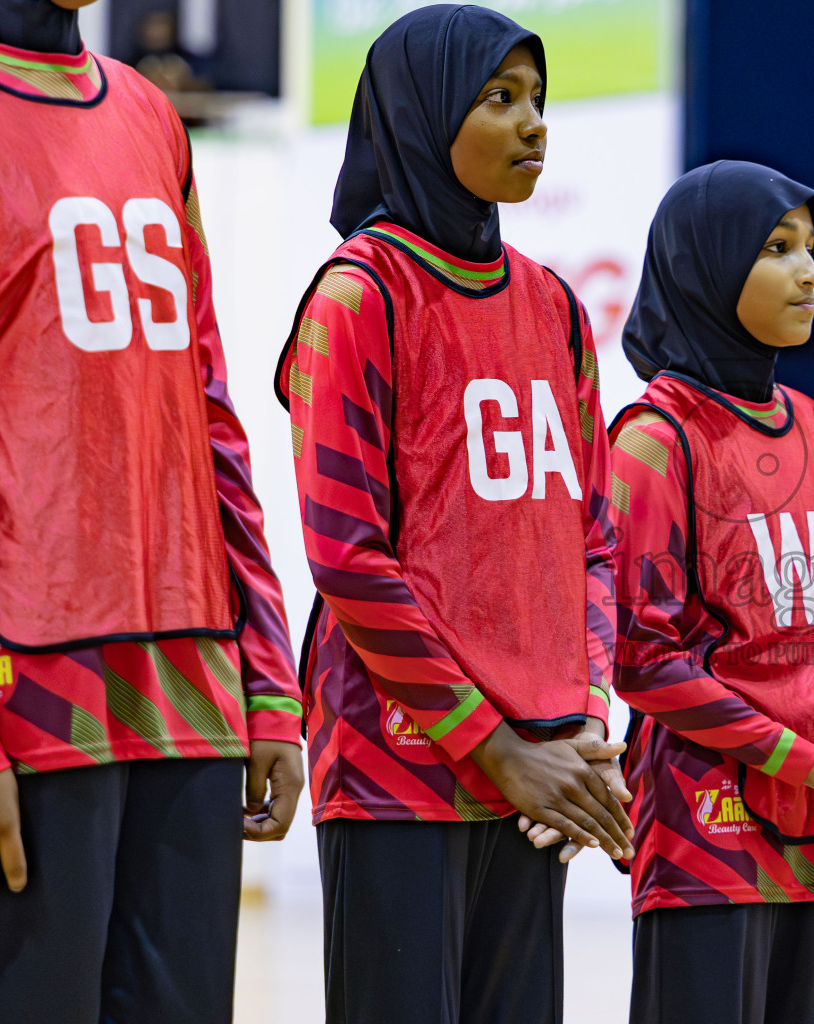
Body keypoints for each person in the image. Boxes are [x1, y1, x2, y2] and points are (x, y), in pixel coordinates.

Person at [275, 7, 630, 1022]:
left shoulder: (554, 305)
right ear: (421, 115)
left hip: (540, 764)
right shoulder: (358, 294)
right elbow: (347, 553)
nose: (533, 126)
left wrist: (580, 721)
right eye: (498, 98)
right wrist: (496, 744)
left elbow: (592, 542)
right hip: (400, 764)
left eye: (538, 101)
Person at [0, 1, 303, 1021]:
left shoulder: (150, 116)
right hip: (30, 688)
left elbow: (206, 404)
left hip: (190, 688)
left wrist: (268, 678)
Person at [604, 159, 814, 1024]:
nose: (812, 270)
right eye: (777, 248)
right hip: (704, 828)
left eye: (809, 246)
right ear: (707, 266)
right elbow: (644, 659)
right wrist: (806, 759)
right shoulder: (655, 438)